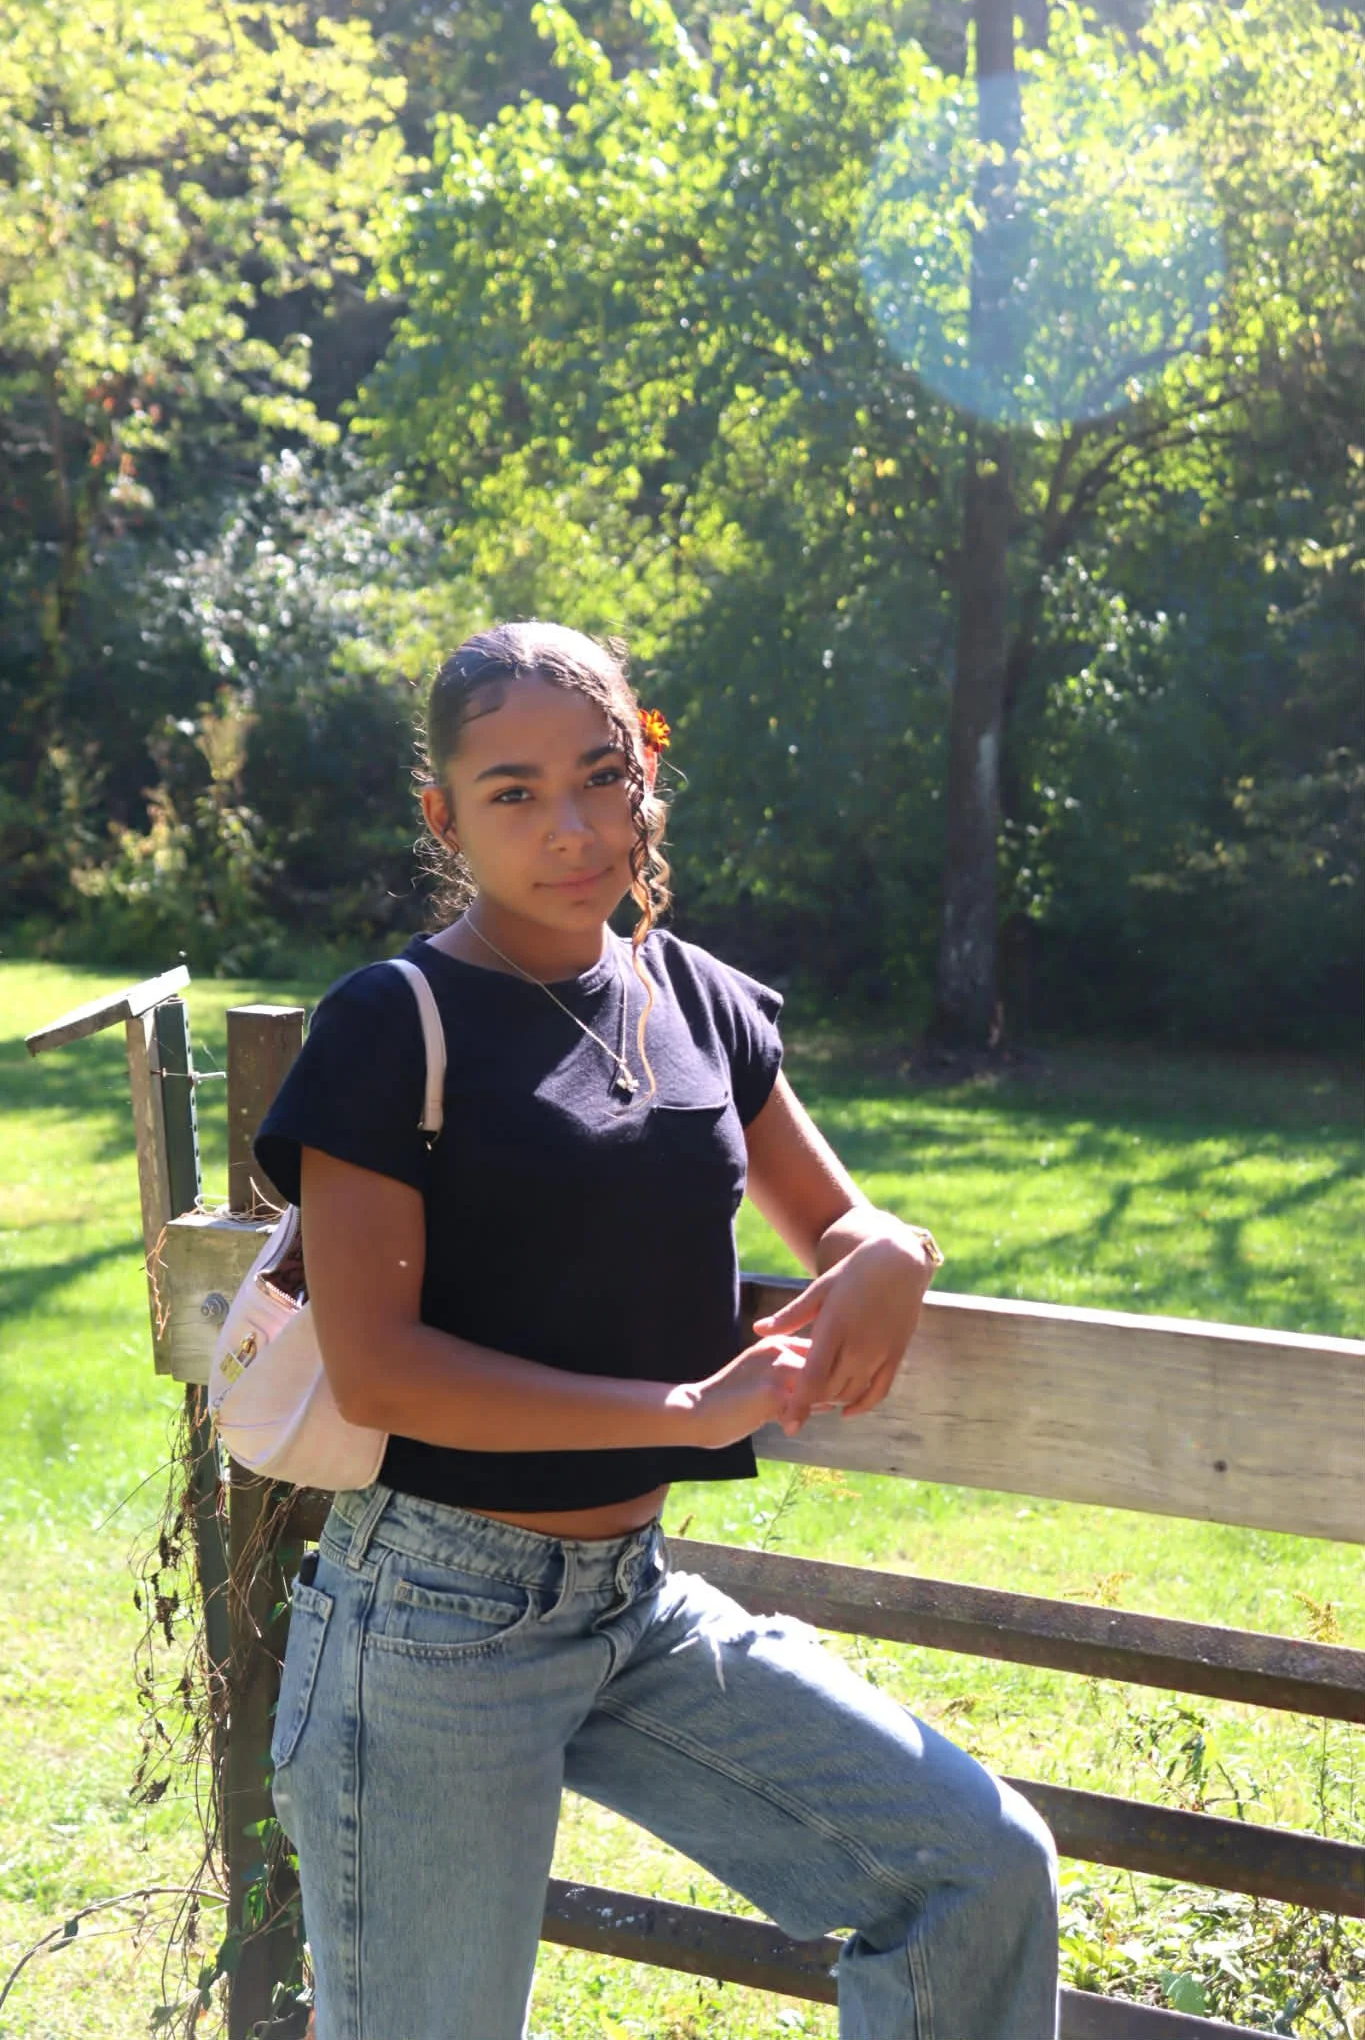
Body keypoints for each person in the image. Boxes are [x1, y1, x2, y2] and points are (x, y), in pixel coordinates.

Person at [254, 621, 1059, 2040]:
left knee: (975, 1866)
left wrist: (897, 1251)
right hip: (430, 1619)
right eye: (513, 792)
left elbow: (842, 1222)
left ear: (645, 780)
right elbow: (381, 1369)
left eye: (601, 775)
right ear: (445, 817)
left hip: (632, 1600)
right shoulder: (394, 1022)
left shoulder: (693, 997)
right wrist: (684, 1411)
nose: (571, 828)